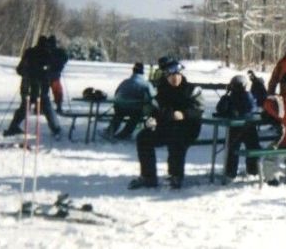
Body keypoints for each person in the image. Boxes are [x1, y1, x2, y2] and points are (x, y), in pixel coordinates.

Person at [128, 60, 204, 190]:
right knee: (143, 137)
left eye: (177, 75)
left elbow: (198, 110)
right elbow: (155, 109)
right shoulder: (162, 91)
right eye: (171, 76)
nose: (175, 79)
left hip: (188, 128)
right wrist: (151, 120)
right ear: (166, 77)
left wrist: (184, 114)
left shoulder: (191, 90)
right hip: (166, 126)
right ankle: (148, 177)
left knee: (177, 139)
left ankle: (175, 176)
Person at [3, 36, 61, 139]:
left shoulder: (29, 53)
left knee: (24, 107)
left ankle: (13, 127)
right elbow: (50, 72)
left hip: (26, 86)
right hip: (40, 87)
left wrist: (27, 73)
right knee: (46, 107)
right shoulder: (47, 54)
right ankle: (55, 128)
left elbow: (19, 69)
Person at [216, 75, 260, 180]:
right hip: (238, 127)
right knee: (233, 149)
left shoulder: (247, 96)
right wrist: (226, 96)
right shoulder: (230, 97)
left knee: (250, 147)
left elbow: (250, 109)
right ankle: (232, 172)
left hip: (247, 127)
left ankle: (252, 171)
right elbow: (220, 109)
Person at [105, 62, 155, 140]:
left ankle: (110, 131)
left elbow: (117, 93)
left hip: (119, 107)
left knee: (119, 115)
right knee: (136, 116)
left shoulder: (125, 82)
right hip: (134, 109)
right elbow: (153, 96)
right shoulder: (146, 84)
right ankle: (125, 134)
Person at [47, 35, 68, 114]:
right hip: (56, 74)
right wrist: (60, 65)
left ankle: (39, 107)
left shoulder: (47, 51)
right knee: (57, 91)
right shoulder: (59, 51)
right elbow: (65, 58)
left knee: (43, 92)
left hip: (47, 74)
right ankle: (59, 106)